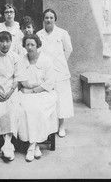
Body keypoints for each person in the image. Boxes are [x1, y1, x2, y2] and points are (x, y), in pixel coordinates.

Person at [18, 34, 58, 162]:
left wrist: (34, 90)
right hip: (26, 92)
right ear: (24, 46)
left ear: (38, 45)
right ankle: (35, 146)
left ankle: (31, 145)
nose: (29, 47)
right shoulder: (21, 60)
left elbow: (49, 83)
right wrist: (28, 90)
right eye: (27, 45)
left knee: (37, 109)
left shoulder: (46, 60)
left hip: (44, 93)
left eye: (32, 45)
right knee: (23, 108)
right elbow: (22, 79)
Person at [36, 8, 73, 138]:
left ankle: (61, 125)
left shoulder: (62, 33)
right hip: (45, 70)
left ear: (55, 19)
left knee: (61, 99)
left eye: (51, 17)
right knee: (47, 98)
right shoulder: (39, 34)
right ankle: (48, 126)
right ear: (43, 19)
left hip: (60, 70)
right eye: (46, 17)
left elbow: (68, 49)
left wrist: (60, 61)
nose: (49, 20)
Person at [0, 31, 26, 161]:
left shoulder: (16, 57)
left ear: (11, 42)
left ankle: (7, 143)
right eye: (2, 41)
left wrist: (10, 92)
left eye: (7, 41)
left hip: (11, 89)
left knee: (12, 108)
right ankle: (7, 144)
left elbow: (17, 77)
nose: (5, 44)